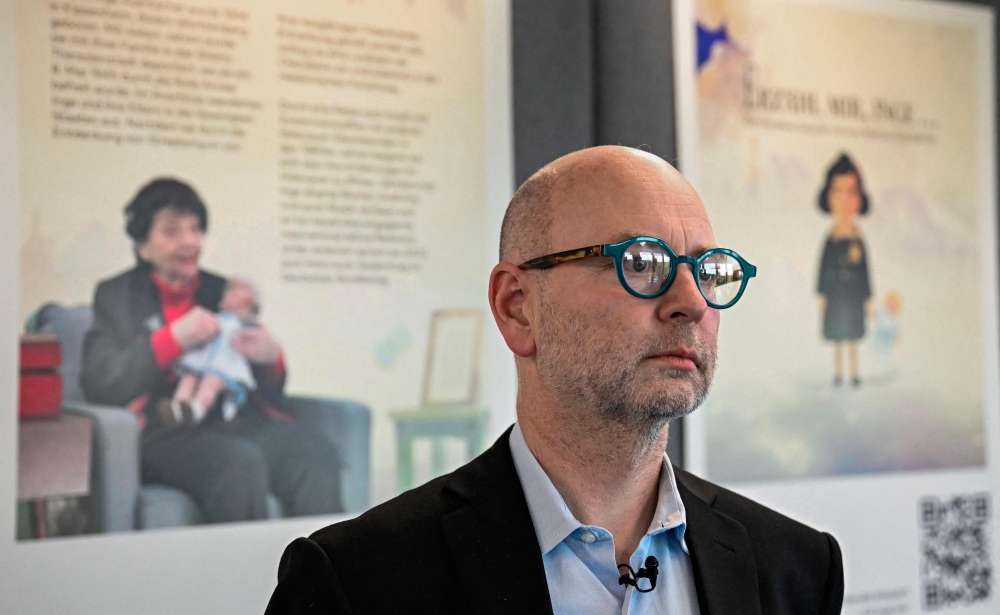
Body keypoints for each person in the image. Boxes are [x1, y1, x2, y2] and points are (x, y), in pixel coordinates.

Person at [265, 147, 843, 614]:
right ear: (518, 306)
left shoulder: (793, 570)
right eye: (641, 263)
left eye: (709, 270)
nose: (690, 303)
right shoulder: (358, 585)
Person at [81, 178, 344, 523]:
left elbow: (269, 392)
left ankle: (324, 572)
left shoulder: (223, 290)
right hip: (165, 433)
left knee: (313, 451)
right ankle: (246, 574)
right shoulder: (116, 296)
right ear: (143, 246)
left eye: (195, 229)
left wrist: (269, 359)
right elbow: (102, 380)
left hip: (233, 422)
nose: (190, 241)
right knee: (237, 461)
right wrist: (172, 338)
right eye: (172, 231)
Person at [163, 278, 260, 426]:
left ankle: (197, 409)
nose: (233, 293)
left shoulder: (247, 323)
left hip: (226, 361)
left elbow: (254, 340)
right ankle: (177, 408)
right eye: (230, 290)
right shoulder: (215, 318)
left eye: (241, 291)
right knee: (188, 378)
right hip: (203, 356)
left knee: (211, 383)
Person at [816, 153, 873, 387]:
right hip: (836, 296)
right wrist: (821, 293)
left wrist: (868, 298)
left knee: (852, 338)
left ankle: (855, 372)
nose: (844, 199)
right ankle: (839, 373)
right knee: (838, 337)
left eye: (851, 191)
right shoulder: (830, 238)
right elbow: (823, 267)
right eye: (837, 191)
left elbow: (865, 272)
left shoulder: (859, 239)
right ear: (828, 196)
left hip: (854, 297)